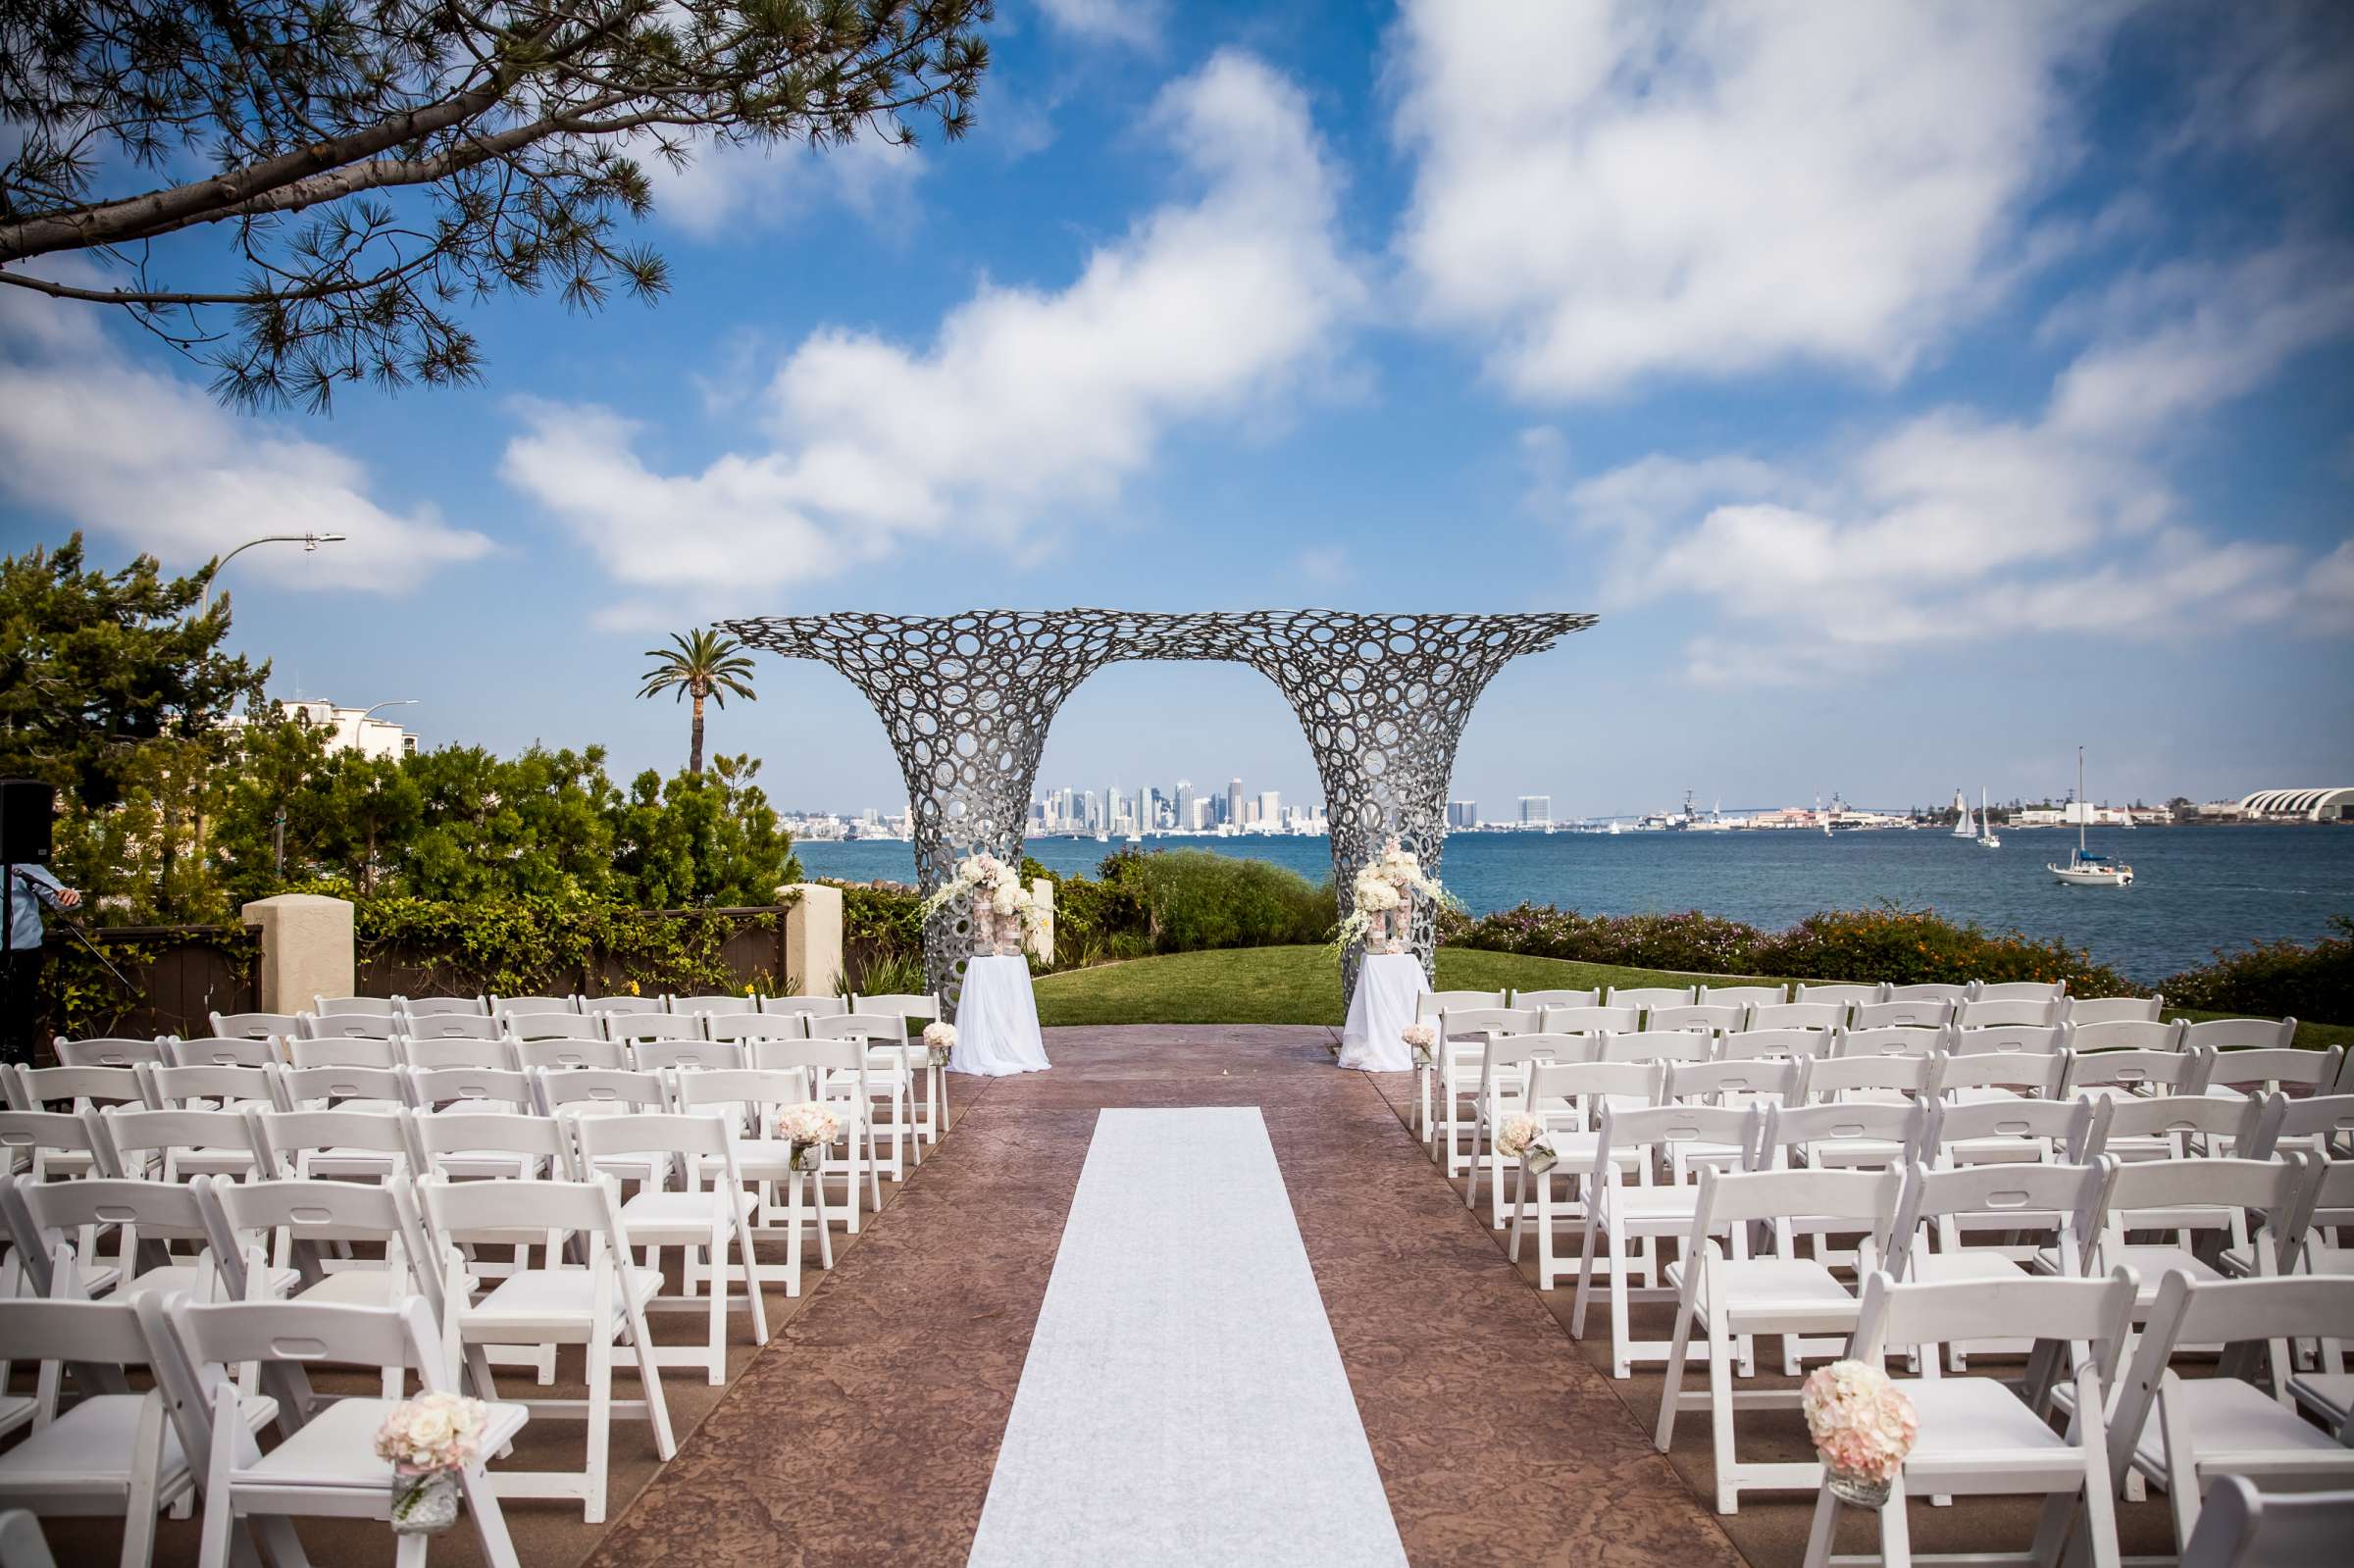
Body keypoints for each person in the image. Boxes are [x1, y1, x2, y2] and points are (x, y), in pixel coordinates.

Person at [4, 859, 80, 1066]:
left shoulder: (18, 865)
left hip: (22, 955)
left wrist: (68, 897)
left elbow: (57, 895)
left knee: (19, 1025)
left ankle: (23, 1087)